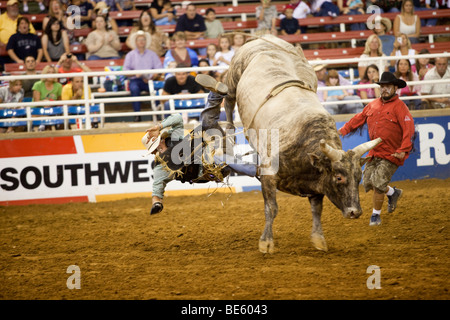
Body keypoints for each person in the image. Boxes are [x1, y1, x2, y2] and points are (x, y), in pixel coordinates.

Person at [145, 74, 257, 215]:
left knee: (206, 121)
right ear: (154, 152)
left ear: (161, 140)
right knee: (218, 158)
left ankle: (215, 95)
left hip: (215, 142)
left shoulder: (174, 138)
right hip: (209, 170)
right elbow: (157, 188)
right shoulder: (161, 167)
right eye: (155, 149)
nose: (158, 149)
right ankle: (255, 170)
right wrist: (157, 203)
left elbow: (177, 118)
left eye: (157, 144)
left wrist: (160, 126)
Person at [338, 72, 415, 226]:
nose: (384, 89)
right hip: (375, 152)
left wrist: (403, 149)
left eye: (387, 86)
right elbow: (358, 119)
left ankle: (375, 216)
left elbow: (409, 128)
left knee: (378, 182)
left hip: (392, 153)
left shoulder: (400, 107)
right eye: (382, 86)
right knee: (368, 181)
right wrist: (341, 131)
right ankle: (393, 193)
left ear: (395, 88)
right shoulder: (372, 104)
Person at [123, 30, 163, 122]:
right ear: (135, 42)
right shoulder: (130, 55)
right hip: (136, 80)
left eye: (143, 39)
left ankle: (157, 114)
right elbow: (125, 70)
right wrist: (135, 73)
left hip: (150, 80)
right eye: (139, 40)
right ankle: (137, 115)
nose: (141, 41)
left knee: (156, 89)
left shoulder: (152, 54)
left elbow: (159, 68)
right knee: (134, 88)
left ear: (146, 41)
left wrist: (152, 76)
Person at [32, 64, 63, 131]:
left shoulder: (59, 86)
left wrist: (51, 103)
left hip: (52, 111)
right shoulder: (37, 84)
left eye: (53, 72)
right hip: (38, 111)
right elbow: (36, 102)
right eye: (48, 72)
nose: (51, 74)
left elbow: (59, 102)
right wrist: (44, 103)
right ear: (44, 73)